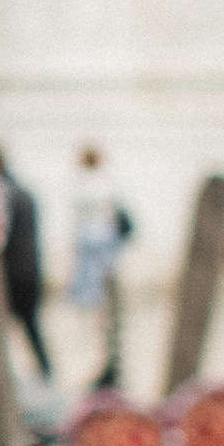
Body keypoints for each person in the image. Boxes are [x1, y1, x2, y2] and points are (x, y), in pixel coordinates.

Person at [69, 144, 134, 391]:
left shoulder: (87, 187)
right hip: (108, 259)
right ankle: (111, 368)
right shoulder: (108, 184)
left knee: (101, 318)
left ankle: (109, 370)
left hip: (96, 259)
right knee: (109, 319)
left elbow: (86, 230)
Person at [0, 144, 52, 380]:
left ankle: (26, 372)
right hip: (30, 270)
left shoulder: (2, 193)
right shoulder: (24, 192)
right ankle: (45, 370)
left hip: (12, 272)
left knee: (7, 327)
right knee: (30, 325)